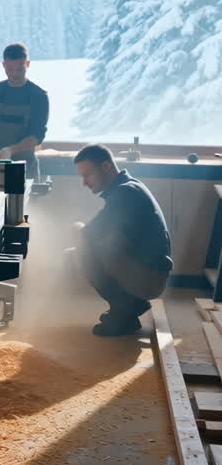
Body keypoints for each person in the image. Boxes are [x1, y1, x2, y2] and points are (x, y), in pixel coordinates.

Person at [74, 144, 172, 337]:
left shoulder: (125, 194)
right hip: (150, 272)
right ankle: (128, 306)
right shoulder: (128, 188)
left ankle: (125, 311)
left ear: (106, 167)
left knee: (81, 250)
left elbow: (88, 234)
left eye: (87, 175)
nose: (84, 182)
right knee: (86, 249)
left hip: (149, 278)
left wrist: (76, 231)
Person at [0, 42, 49, 182]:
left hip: (25, 169)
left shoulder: (39, 96)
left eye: (20, 69)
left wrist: (11, 149)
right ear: (3, 65)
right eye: (10, 69)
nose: (14, 74)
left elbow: (37, 136)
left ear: (28, 64)